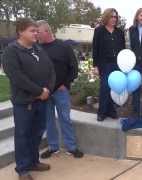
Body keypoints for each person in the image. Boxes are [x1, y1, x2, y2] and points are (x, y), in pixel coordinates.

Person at [2, 18, 55, 180]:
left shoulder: (37, 49)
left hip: (42, 100)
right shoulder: (12, 51)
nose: (36, 33)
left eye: (36, 30)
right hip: (25, 102)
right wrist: (39, 91)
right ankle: (23, 169)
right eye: (32, 31)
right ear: (20, 32)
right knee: (23, 135)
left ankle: (33, 161)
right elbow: (17, 77)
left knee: (37, 133)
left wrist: (48, 90)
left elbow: (50, 70)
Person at [36, 20, 84, 159]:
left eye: (38, 32)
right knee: (48, 120)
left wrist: (66, 83)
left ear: (46, 31)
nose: (36, 35)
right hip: (44, 91)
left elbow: (74, 68)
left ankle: (72, 147)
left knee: (65, 118)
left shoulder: (64, 47)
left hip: (60, 90)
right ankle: (53, 147)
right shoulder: (37, 48)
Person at [92, 8, 125, 121]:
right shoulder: (99, 31)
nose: (114, 19)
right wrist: (95, 66)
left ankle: (111, 111)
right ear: (107, 17)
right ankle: (102, 112)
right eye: (112, 16)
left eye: (115, 17)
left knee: (114, 88)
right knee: (105, 88)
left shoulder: (120, 32)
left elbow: (123, 50)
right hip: (104, 65)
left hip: (117, 65)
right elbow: (95, 49)